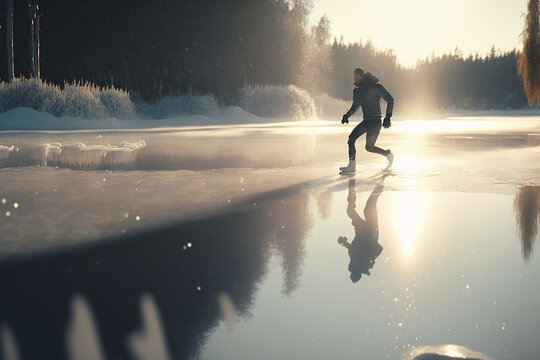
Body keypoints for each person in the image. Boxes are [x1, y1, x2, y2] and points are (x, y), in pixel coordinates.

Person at [340, 68, 394, 173]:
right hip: (366, 121)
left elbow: (390, 99)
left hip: (375, 121)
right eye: (353, 77)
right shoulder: (357, 91)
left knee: (369, 147)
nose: (354, 79)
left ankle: (388, 154)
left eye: (355, 77)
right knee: (351, 139)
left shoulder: (375, 87)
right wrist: (346, 116)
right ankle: (352, 165)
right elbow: (355, 106)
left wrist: (388, 116)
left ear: (361, 76)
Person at [337, 178, 384, 283]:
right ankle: (381, 182)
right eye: (355, 267)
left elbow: (349, 247)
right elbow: (379, 249)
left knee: (350, 211)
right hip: (371, 229)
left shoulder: (353, 255)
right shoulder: (367, 259)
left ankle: (352, 186)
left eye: (353, 265)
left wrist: (343, 242)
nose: (354, 263)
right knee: (369, 207)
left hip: (362, 228)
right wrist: (371, 255)